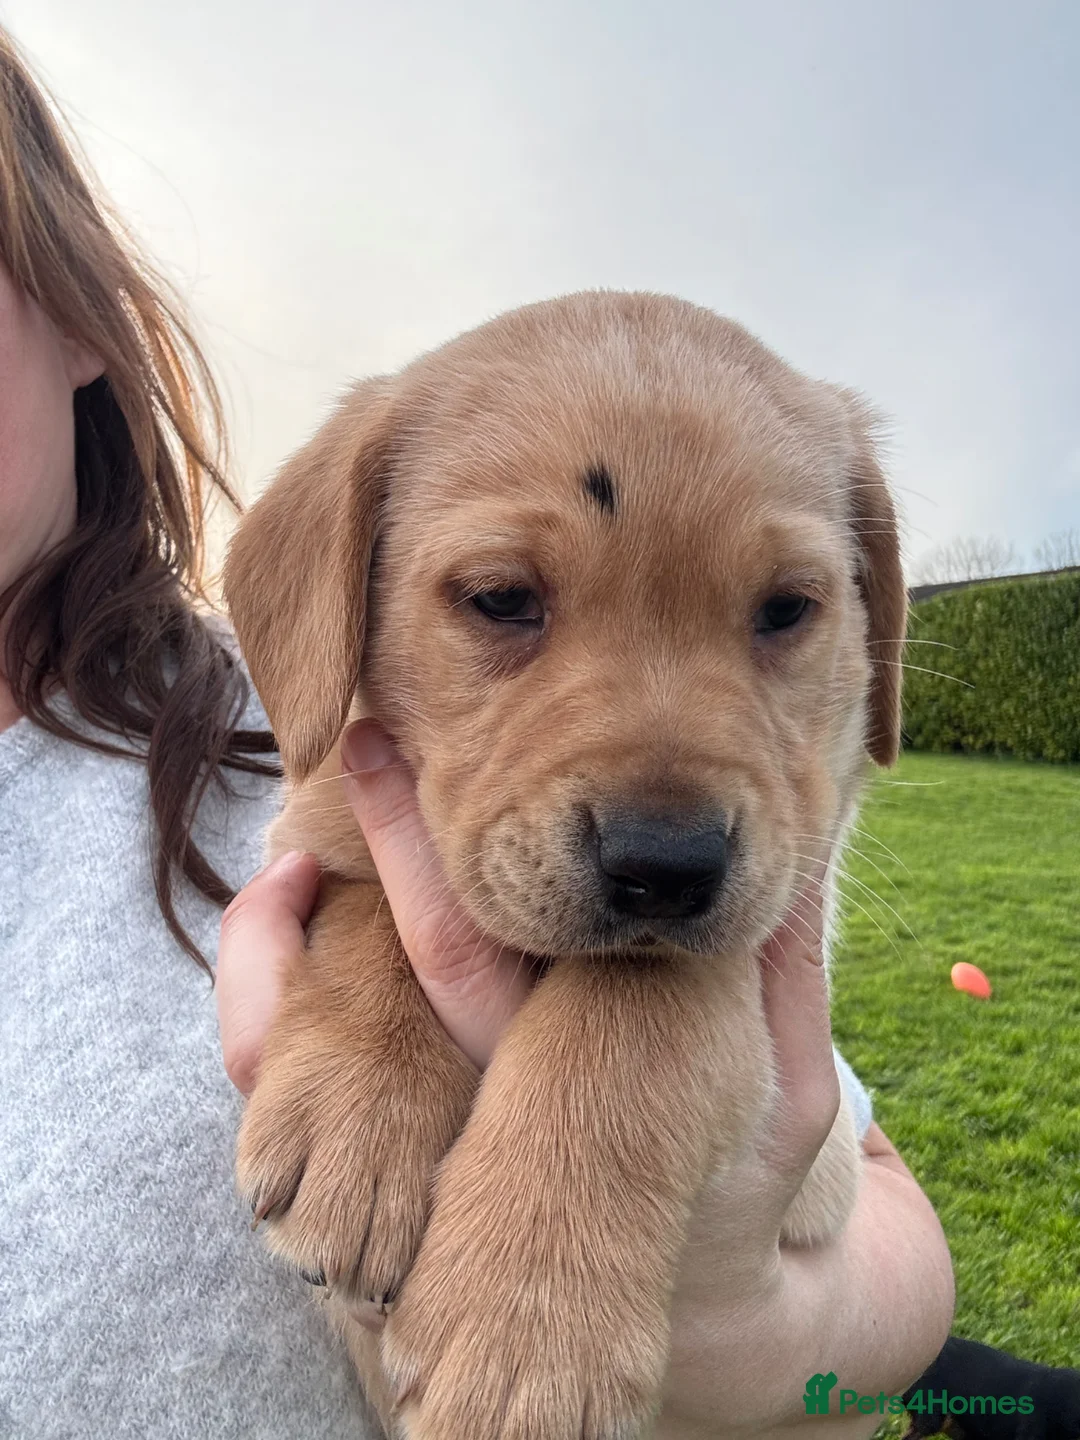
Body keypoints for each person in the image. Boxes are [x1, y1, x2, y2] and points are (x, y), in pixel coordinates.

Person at [0, 24, 954, 1440]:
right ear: (337, 592)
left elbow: (881, 1255)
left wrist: (752, 1323)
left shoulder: (251, 734)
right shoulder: (346, 685)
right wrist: (372, 998)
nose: (666, 793)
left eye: (783, 614)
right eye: (507, 599)